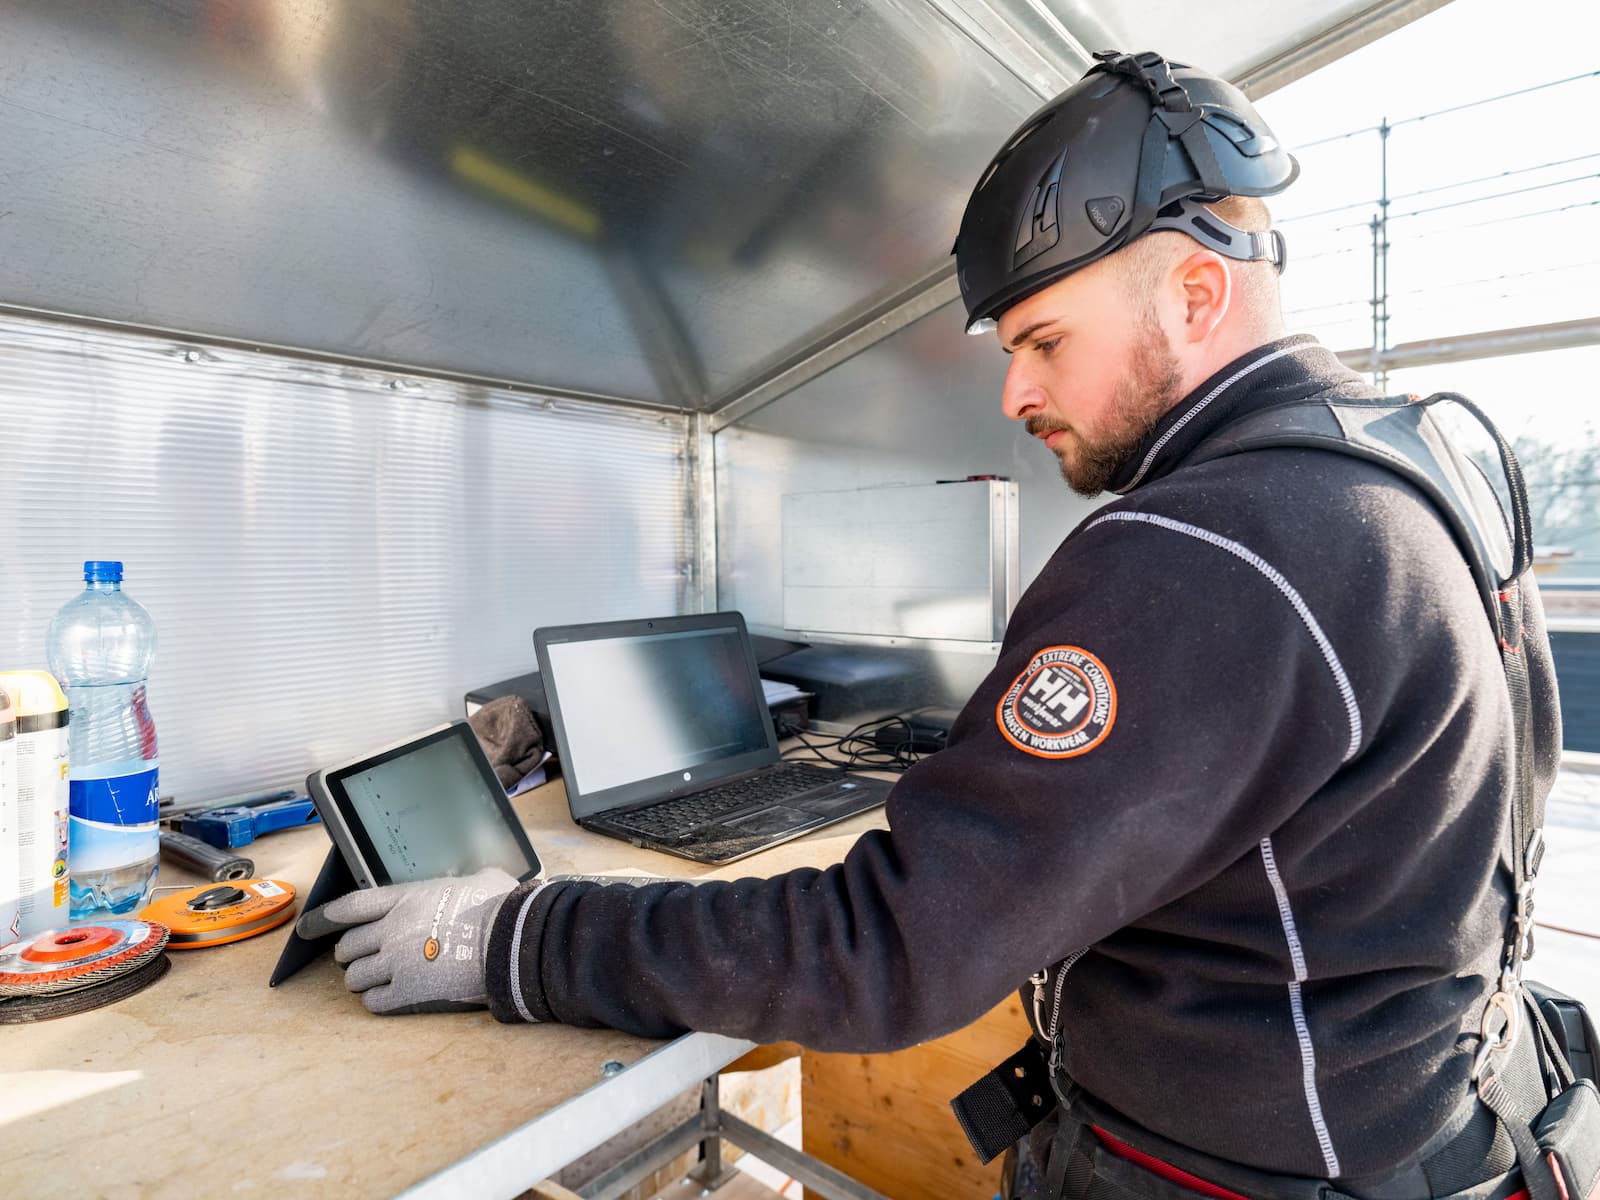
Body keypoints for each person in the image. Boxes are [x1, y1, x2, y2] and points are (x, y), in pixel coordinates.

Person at [299, 51, 1566, 1196]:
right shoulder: (1425, 464)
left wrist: (517, 936)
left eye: (1045, 340)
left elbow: (890, 947)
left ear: (1192, 294)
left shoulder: (1211, 546)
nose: (1015, 391)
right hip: (1423, 1123)